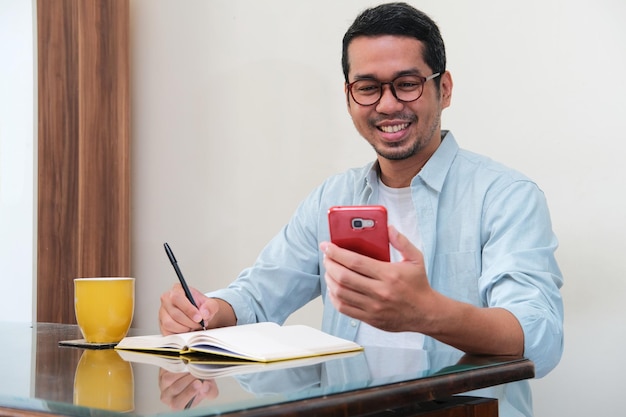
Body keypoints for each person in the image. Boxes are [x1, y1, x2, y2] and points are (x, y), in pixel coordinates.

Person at [159, 2, 563, 382]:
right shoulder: (331, 198)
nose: (387, 105)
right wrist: (210, 311)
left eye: (407, 84)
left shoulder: (506, 195)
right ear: (349, 96)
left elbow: (538, 338)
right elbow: (259, 296)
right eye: (368, 87)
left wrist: (427, 313)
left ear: (446, 89)